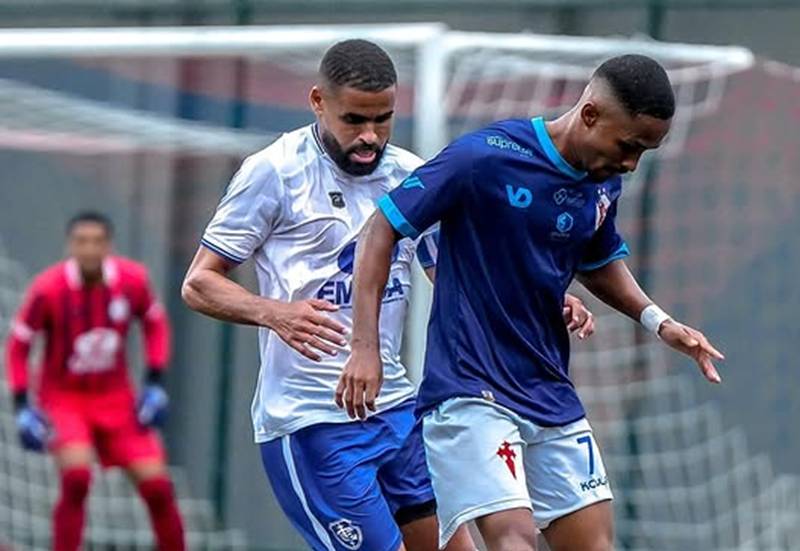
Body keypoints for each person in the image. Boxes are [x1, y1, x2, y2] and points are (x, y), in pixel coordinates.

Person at [182, 38, 595, 551]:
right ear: (318, 101)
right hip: (311, 421)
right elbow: (200, 282)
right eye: (354, 119)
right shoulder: (274, 171)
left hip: (396, 408)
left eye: (384, 119)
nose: (370, 137)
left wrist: (538, 299)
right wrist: (278, 314)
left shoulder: (407, 173)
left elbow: (454, 273)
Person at [343, 54, 727, 551]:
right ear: (590, 114)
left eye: (644, 153)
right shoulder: (483, 158)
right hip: (470, 391)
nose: (631, 164)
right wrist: (365, 347)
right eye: (628, 146)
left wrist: (658, 321)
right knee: (514, 541)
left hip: (549, 390)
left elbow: (597, 258)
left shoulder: (602, 180)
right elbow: (382, 227)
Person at [6, 211, 184, 551]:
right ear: (69, 246)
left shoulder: (131, 281)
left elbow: (155, 324)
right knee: (77, 478)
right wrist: (22, 405)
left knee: (158, 487)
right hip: (64, 399)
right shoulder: (49, 289)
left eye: (97, 242)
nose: (89, 249)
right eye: (81, 242)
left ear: (109, 246)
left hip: (116, 398)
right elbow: (18, 347)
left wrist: (155, 382)